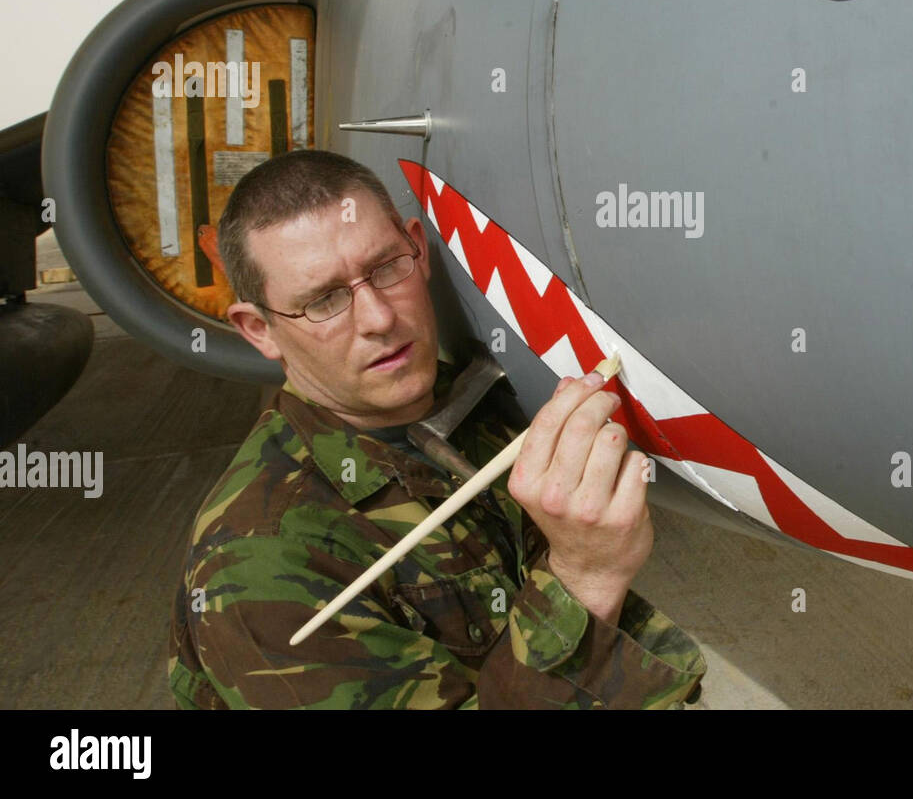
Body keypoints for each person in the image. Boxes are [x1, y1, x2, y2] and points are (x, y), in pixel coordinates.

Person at [167, 150, 705, 709]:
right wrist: (583, 579)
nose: (378, 319)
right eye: (323, 300)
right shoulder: (260, 563)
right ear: (261, 330)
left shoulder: (478, 402)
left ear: (419, 249)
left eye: (385, 268)